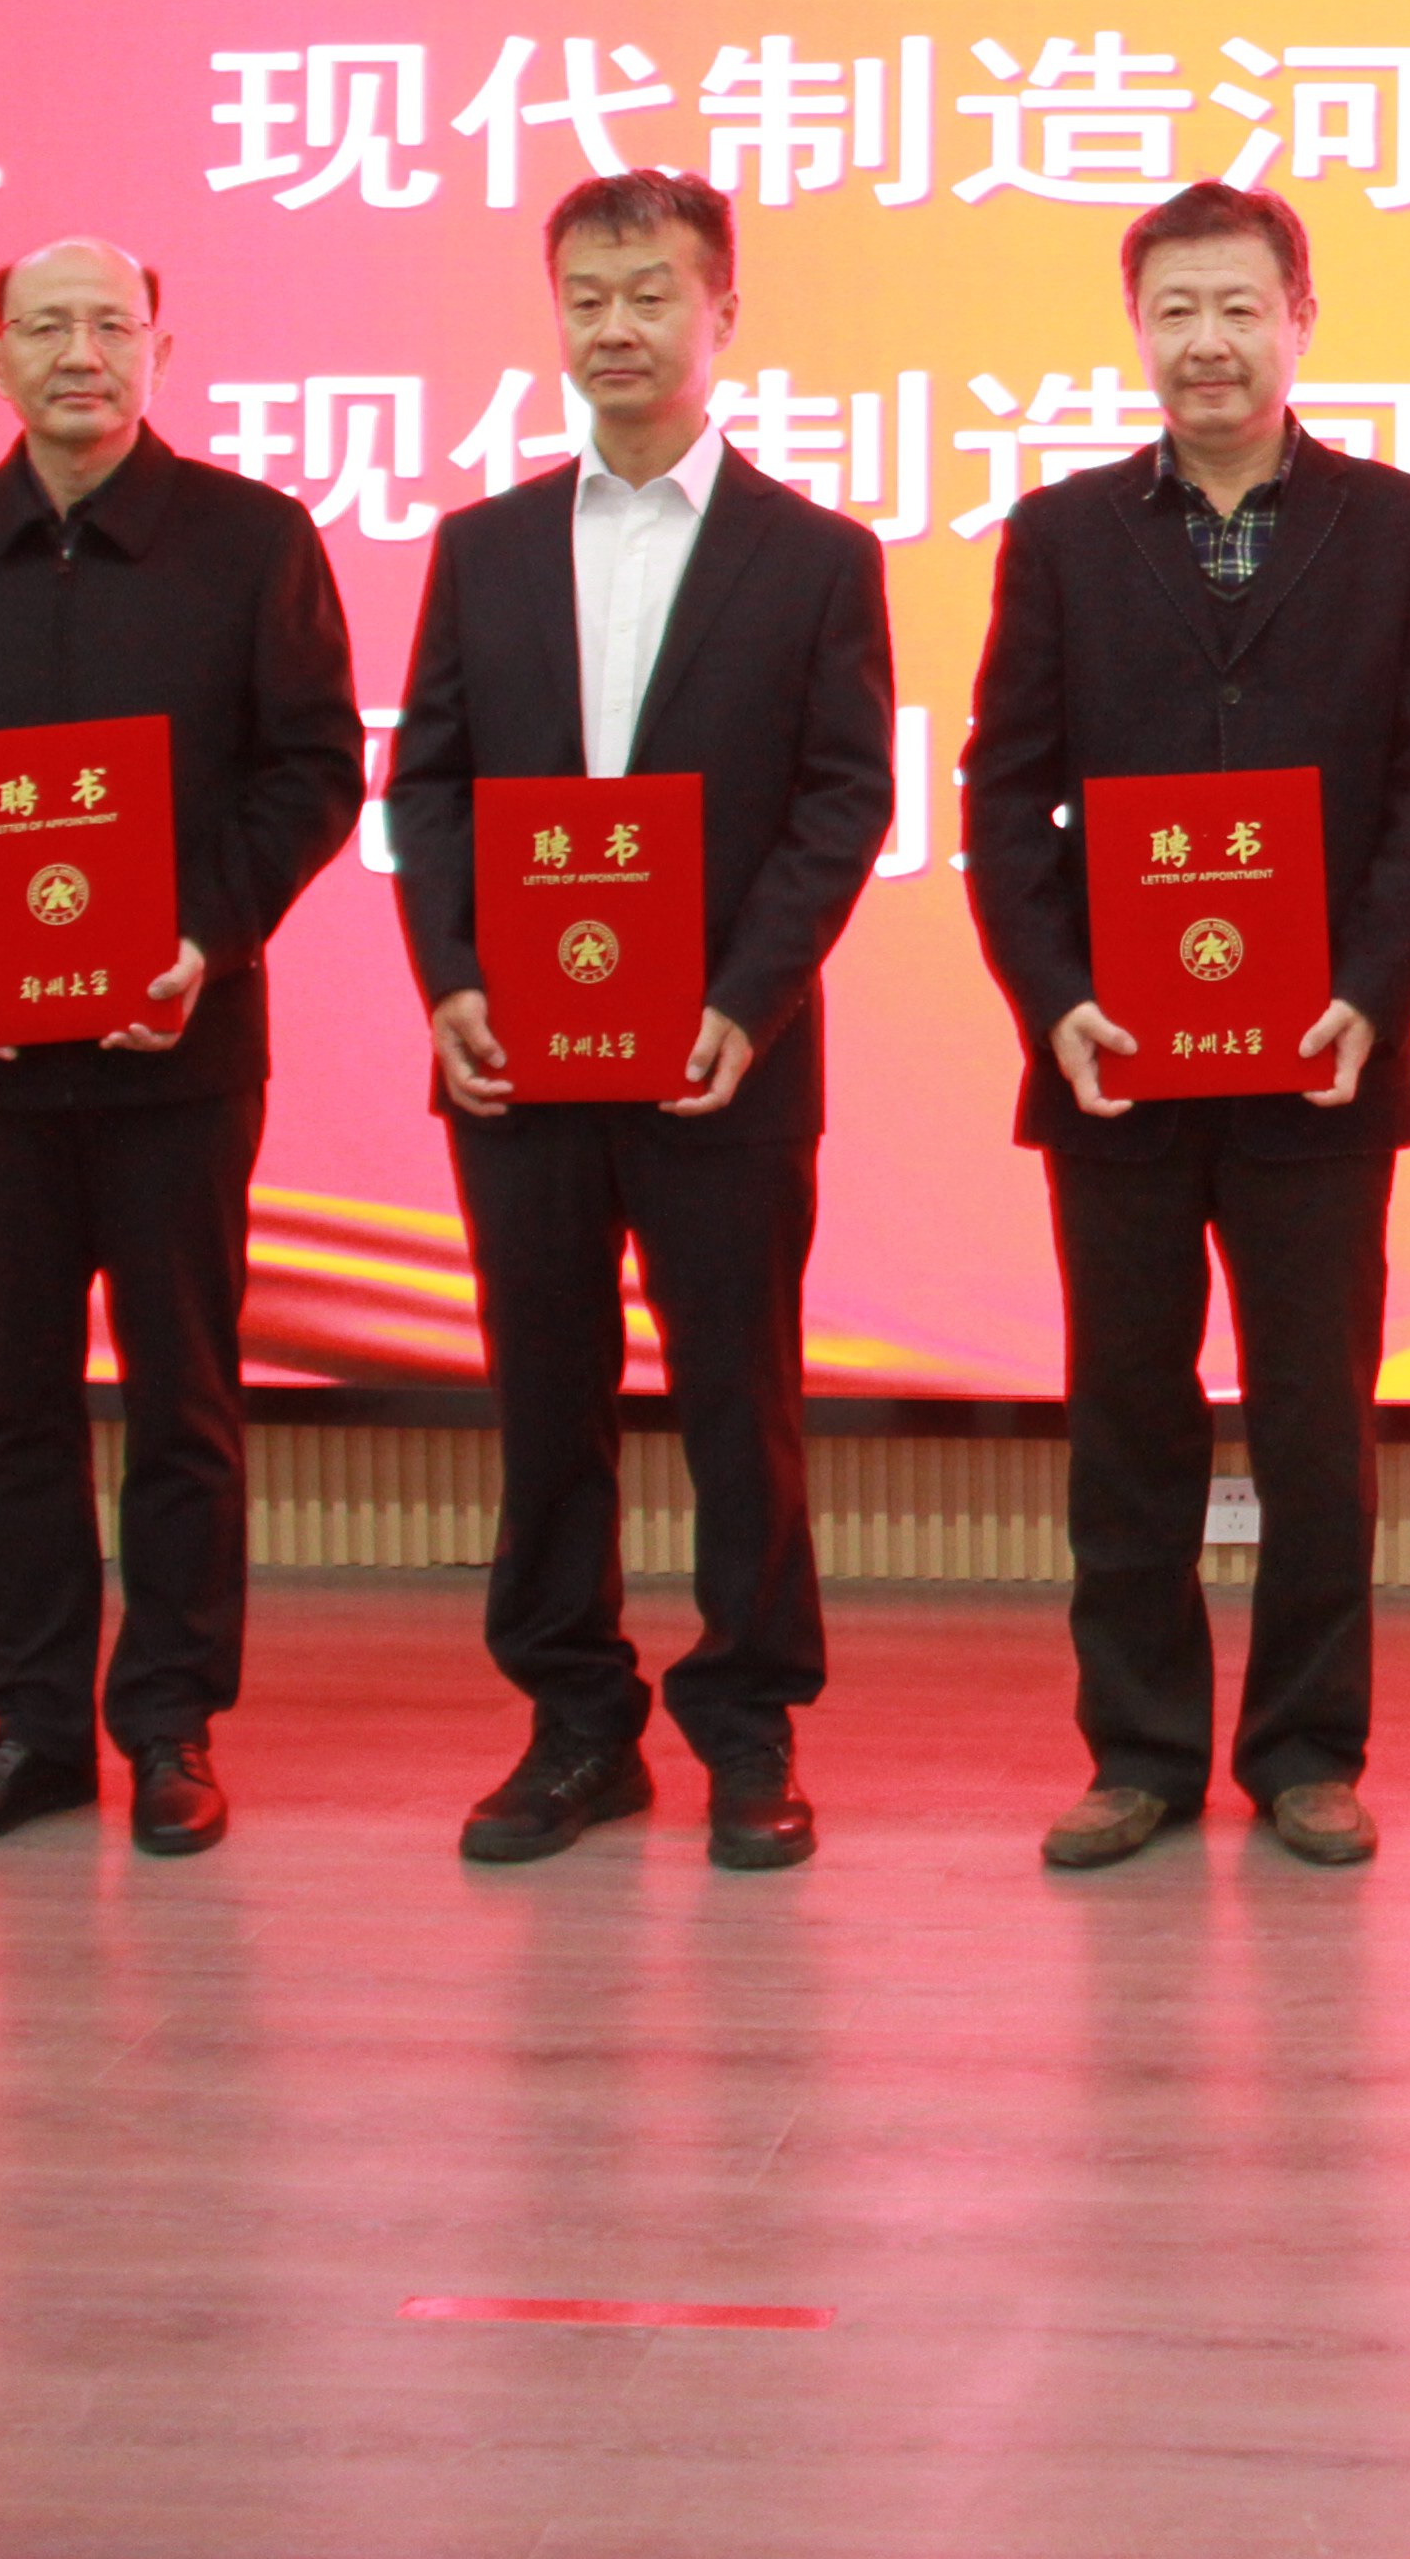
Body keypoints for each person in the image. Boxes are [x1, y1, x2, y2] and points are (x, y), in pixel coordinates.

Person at [0, 240, 363, 1858]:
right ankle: (33, 1729)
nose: (81, 353)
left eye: (112, 325)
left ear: (160, 350)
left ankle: (171, 1722)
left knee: (184, 1398)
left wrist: (204, 937)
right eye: (46, 327)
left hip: (179, 1048)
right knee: (12, 1405)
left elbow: (314, 768)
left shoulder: (252, 539)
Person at [963, 184, 1410, 1870]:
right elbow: (1004, 799)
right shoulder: (1060, 535)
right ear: (1138, 329)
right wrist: (1058, 1003)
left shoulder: (1406, 531)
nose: (1207, 342)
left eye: (1239, 307)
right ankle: (1138, 1754)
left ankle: (1311, 1751)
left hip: (1323, 1064)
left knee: (1317, 1428)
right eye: (1175, 310)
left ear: (1301, 320)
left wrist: (1366, 997)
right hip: (1116, 1066)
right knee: (1128, 1422)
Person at [387, 168, 895, 1870]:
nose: (616, 325)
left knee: (741, 1403)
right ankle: (574, 1728)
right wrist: (453, 980)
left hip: (721, 1064)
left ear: (721, 313)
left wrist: (749, 1001)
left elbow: (842, 799)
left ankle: (749, 1729)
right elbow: (430, 785)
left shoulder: (814, 558)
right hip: (518, 1063)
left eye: (651, 293)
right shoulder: (484, 549)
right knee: (548, 1400)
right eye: (587, 297)